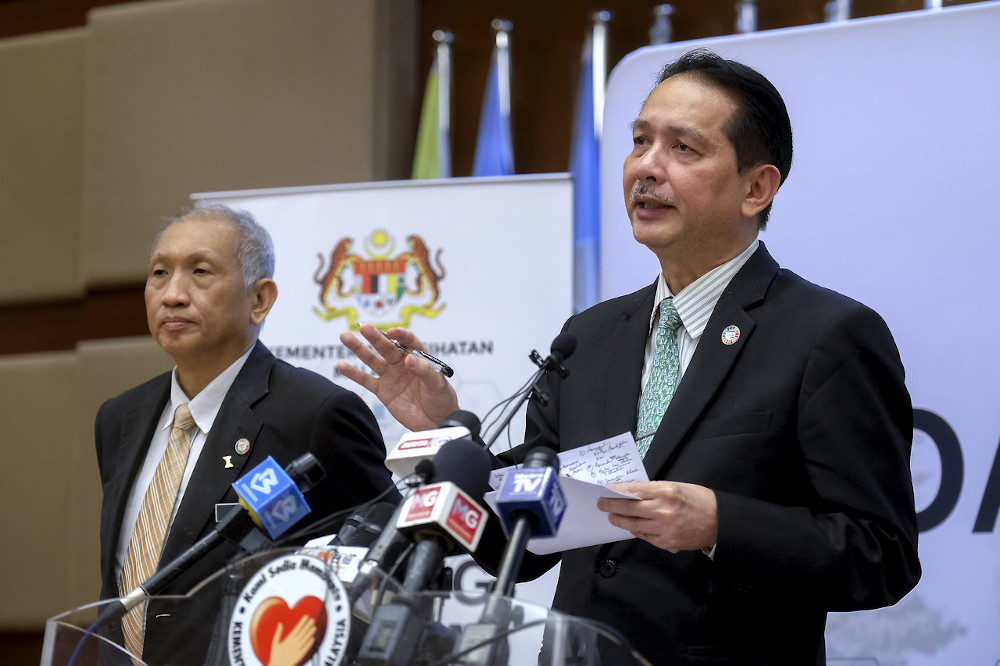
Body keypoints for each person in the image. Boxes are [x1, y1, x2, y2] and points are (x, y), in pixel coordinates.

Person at [337, 49, 920, 665]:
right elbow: (525, 542)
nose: (647, 167)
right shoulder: (589, 337)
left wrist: (722, 524)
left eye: (683, 149)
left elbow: (881, 555)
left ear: (757, 187)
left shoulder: (826, 335)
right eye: (640, 141)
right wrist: (444, 434)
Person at [95, 205, 397, 663]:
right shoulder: (120, 418)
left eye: (199, 271)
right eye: (159, 273)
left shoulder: (316, 415)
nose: (172, 294)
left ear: (260, 299)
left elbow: (388, 565)